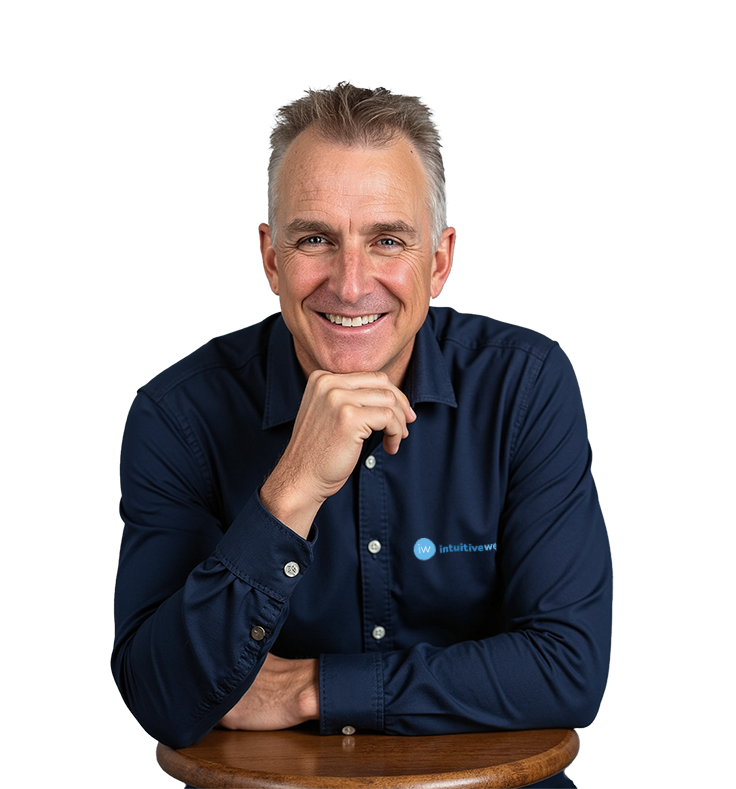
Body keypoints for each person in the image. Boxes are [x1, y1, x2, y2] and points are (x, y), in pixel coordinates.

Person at [111, 84, 612, 788]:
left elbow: (567, 669)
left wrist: (314, 688)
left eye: (387, 241)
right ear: (272, 259)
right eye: (315, 239)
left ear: (437, 262)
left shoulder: (525, 385)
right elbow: (161, 696)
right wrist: (290, 492)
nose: (350, 286)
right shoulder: (177, 415)